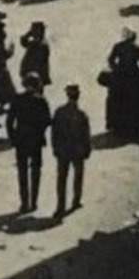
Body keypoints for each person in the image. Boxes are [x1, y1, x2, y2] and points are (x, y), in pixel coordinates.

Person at [6, 74, 52, 214]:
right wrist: (40, 131)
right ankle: (34, 202)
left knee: (22, 172)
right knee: (36, 171)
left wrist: (13, 138)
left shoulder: (17, 99)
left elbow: (9, 122)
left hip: (21, 139)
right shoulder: (41, 101)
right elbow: (47, 121)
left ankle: (24, 202)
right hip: (36, 140)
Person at [51, 84, 92, 217]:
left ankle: (60, 206)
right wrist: (87, 150)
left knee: (62, 178)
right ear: (78, 97)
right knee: (78, 176)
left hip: (63, 150)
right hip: (78, 151)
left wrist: (55, 148)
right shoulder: (82, 115)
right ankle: (76, 201)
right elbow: (86, 135)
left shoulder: (59, 112)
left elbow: (54, 133)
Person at [104, 27, 139, 140]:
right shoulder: (138, 49)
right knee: (135, 101)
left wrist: (116, 68)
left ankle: (117, 125)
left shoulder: (118, 46)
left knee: (117, 100)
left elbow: (110, 60)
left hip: (120, 76)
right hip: (134, 77)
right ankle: (134, 126)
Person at [19, 21, 51, 86]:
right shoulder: (35, 42)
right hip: (32, 73)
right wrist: (29, 34)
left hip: (36, 73)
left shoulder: (41, 44)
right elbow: (23, 42)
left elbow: (38, 61)